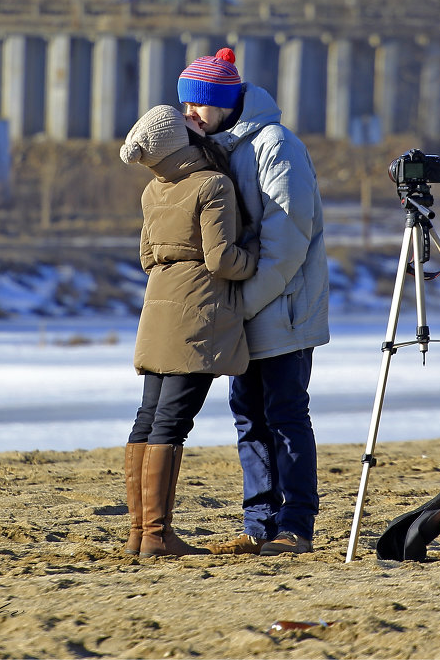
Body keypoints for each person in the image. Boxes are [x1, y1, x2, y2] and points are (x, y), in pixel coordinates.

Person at [177, 47, 330, 556]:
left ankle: (296, 527)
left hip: (282, 309)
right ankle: (259, 523)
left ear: (223, 100)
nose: (189, 113)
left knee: (285, 415)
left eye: (197, 103)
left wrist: (241, 306)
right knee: (247, 416)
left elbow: (288, 243)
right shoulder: (216, 145)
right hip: (242, 308)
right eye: (185, 104)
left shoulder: (276, 146)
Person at [119, 104, 259, 558]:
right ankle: (158, 536)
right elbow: (221, 259)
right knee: (173, 423)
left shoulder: (152, 191)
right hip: (197, 310)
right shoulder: (213, 184)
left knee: (149, 418)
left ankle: (140, 533)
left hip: (156, 308)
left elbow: (146, 258)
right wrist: (254, 256)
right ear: (184, 142)